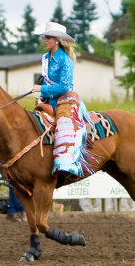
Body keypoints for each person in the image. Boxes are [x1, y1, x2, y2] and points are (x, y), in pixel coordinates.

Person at [32, 22, 93, 186]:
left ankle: (66, 163)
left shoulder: (65, 61)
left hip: (64, 99)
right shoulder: (45, 58)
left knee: (65, 125)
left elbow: (65, 86)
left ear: (57, 40)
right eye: (45, 37)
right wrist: (41, 96)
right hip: (49, 100)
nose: (45, 40)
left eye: (49, 37)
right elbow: (46, 80)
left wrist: (42, 89)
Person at [0, 137, 26, 221]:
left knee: (14, 186)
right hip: (8, 161)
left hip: (8, 161)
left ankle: (14, 211)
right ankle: (18, 210)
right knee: (15, 186)